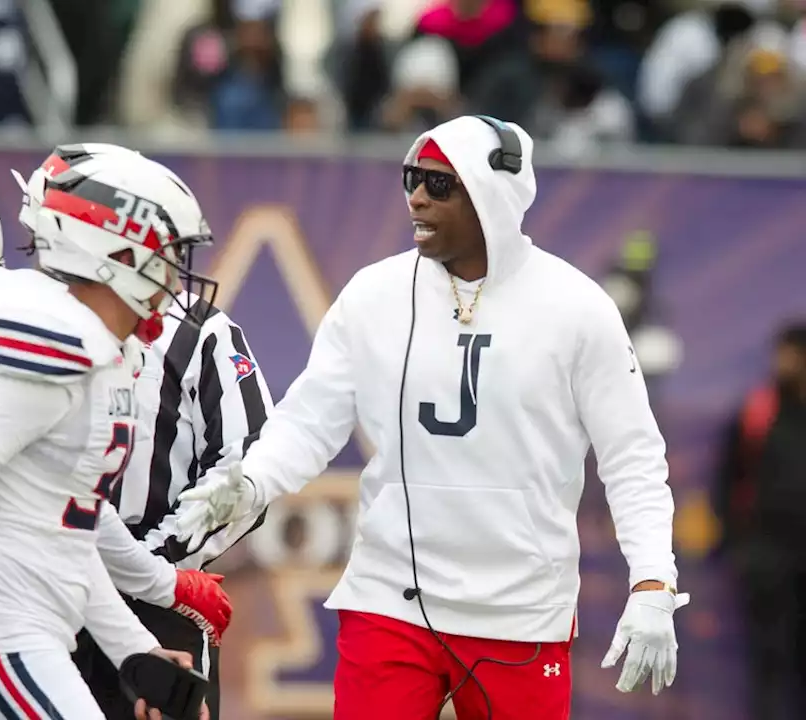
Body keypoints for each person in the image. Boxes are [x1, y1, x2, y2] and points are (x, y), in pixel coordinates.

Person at [174, 115, 685, 720]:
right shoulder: (374, 294)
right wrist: (252, 482)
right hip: (391, 599)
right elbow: (311, 419)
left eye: (439, 184)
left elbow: (632, 456)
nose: (416, 195)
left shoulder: (578, 308)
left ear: (492, 196)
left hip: (521, 610)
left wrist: (653, 580)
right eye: (412, 178)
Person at [0, 161, 231, 720]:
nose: (176, 280)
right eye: (168, 256)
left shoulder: (100, 348)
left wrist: (136, 651)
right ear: (118, 255)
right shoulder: (62, 341)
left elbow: (71, 529)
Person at [13, 144, 270, 719]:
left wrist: (157, 563)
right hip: (36, 586)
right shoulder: (19, 322)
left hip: (149, 588)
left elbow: (250, 463)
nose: (173, 268)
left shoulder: (200, 334)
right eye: (157, 245)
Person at [714, 321, 806, 720]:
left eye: (791, 353)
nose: (782, 362)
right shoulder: (757, 413)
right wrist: (740, 549)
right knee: (767, 668)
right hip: (767, 564)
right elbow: (727, 482)